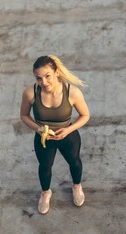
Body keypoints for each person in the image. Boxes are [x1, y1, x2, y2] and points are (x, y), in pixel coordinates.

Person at [20, 55, 90, 214]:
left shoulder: (73, 92)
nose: (44, 82)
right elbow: (24, 116)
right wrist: (39, 129)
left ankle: (77, 186)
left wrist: (67, 130)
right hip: (44, 139)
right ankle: (45, 193)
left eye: (47, 76)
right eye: (39, 78)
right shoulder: (31, 93)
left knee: (75, 162)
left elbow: (85, 115)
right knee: (45, 167)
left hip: (68, 136)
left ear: (56, 72)